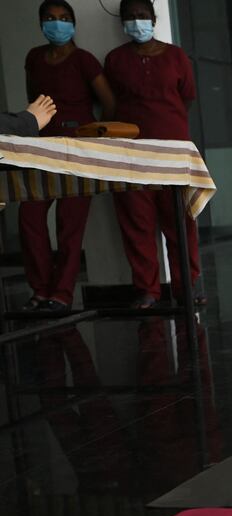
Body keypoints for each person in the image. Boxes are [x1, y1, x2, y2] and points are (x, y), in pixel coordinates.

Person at [104, 0, 203, 309]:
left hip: (173, 153)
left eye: (142, 16)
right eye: (130, 17)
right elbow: (111, 102)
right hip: (130, 154)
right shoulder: (115, 59)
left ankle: (187, 287)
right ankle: (147, 289)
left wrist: (165, 126)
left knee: (180, 220)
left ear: (154, 18)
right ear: (122, 22)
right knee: (137, 221)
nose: (137, 22)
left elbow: (186, 97)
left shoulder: (176, 56)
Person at [20, 0, 115, 312]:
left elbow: (109, 104)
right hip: (41, 148)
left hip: (77, 149)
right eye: (49, 18)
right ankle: (40, 289)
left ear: (74, 24)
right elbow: (32, 101)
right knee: (30, 218)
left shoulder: (84, 61)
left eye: (63, 18)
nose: (56, 24)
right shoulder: (34, 58)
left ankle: (62, 293)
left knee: (69, 223)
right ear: (40, 23)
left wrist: (93, 137)